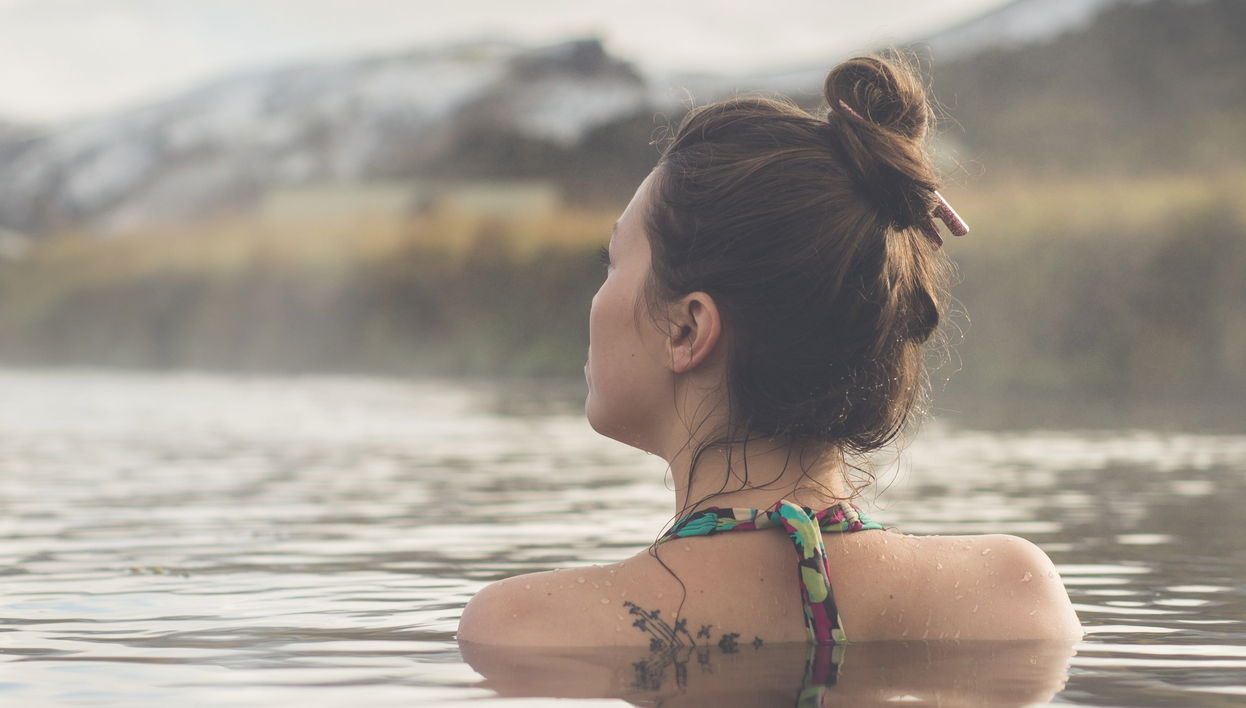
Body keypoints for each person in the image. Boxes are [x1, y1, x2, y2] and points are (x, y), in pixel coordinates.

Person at [458, 53, 1082, 647]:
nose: (595, 299)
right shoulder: (1013, 595)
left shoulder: (528, 628)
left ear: (688, 329)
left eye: (612, 261)